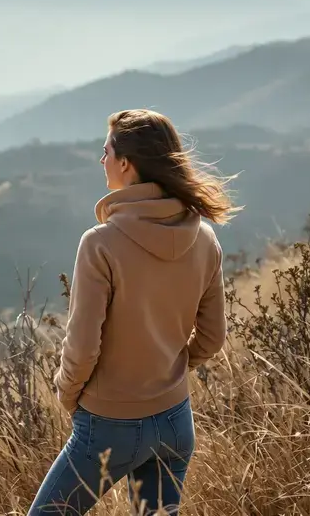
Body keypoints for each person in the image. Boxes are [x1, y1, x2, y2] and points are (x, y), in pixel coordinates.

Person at [28, 109, 237, 516]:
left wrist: (69, 396)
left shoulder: (100, 243)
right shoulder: (205, 238)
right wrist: (168, 371)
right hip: (175, 422)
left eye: (106, 151)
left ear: (126, 163)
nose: (101, 159)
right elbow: (212, 338)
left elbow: (83, 347)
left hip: (108, 424)